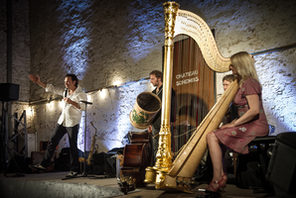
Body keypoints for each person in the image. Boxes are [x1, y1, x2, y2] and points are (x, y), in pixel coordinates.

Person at [206, 52, 269, 192]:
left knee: (212, 136)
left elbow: (254, 111)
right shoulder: (242, 83)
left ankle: (218, 178)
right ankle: (219, 175)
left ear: (240, 65)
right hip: (247, 124)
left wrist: (234, 124)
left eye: (232, 64)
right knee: (214, 135)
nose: (230, 67)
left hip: (256, 125)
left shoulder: (250, 83)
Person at [28, 74, 87, 177]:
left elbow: (83, 107)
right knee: (53, 141)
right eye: (65, 81)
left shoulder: (81, 94)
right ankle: (44, 164)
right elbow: (52, 89)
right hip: (62, 121)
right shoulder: (65, 92)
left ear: (74, 82)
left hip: (73, 123)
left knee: (73, 146)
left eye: (68, 81)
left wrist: (71, 102)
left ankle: (75, 170)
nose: (66, 83)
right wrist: (38, 82)